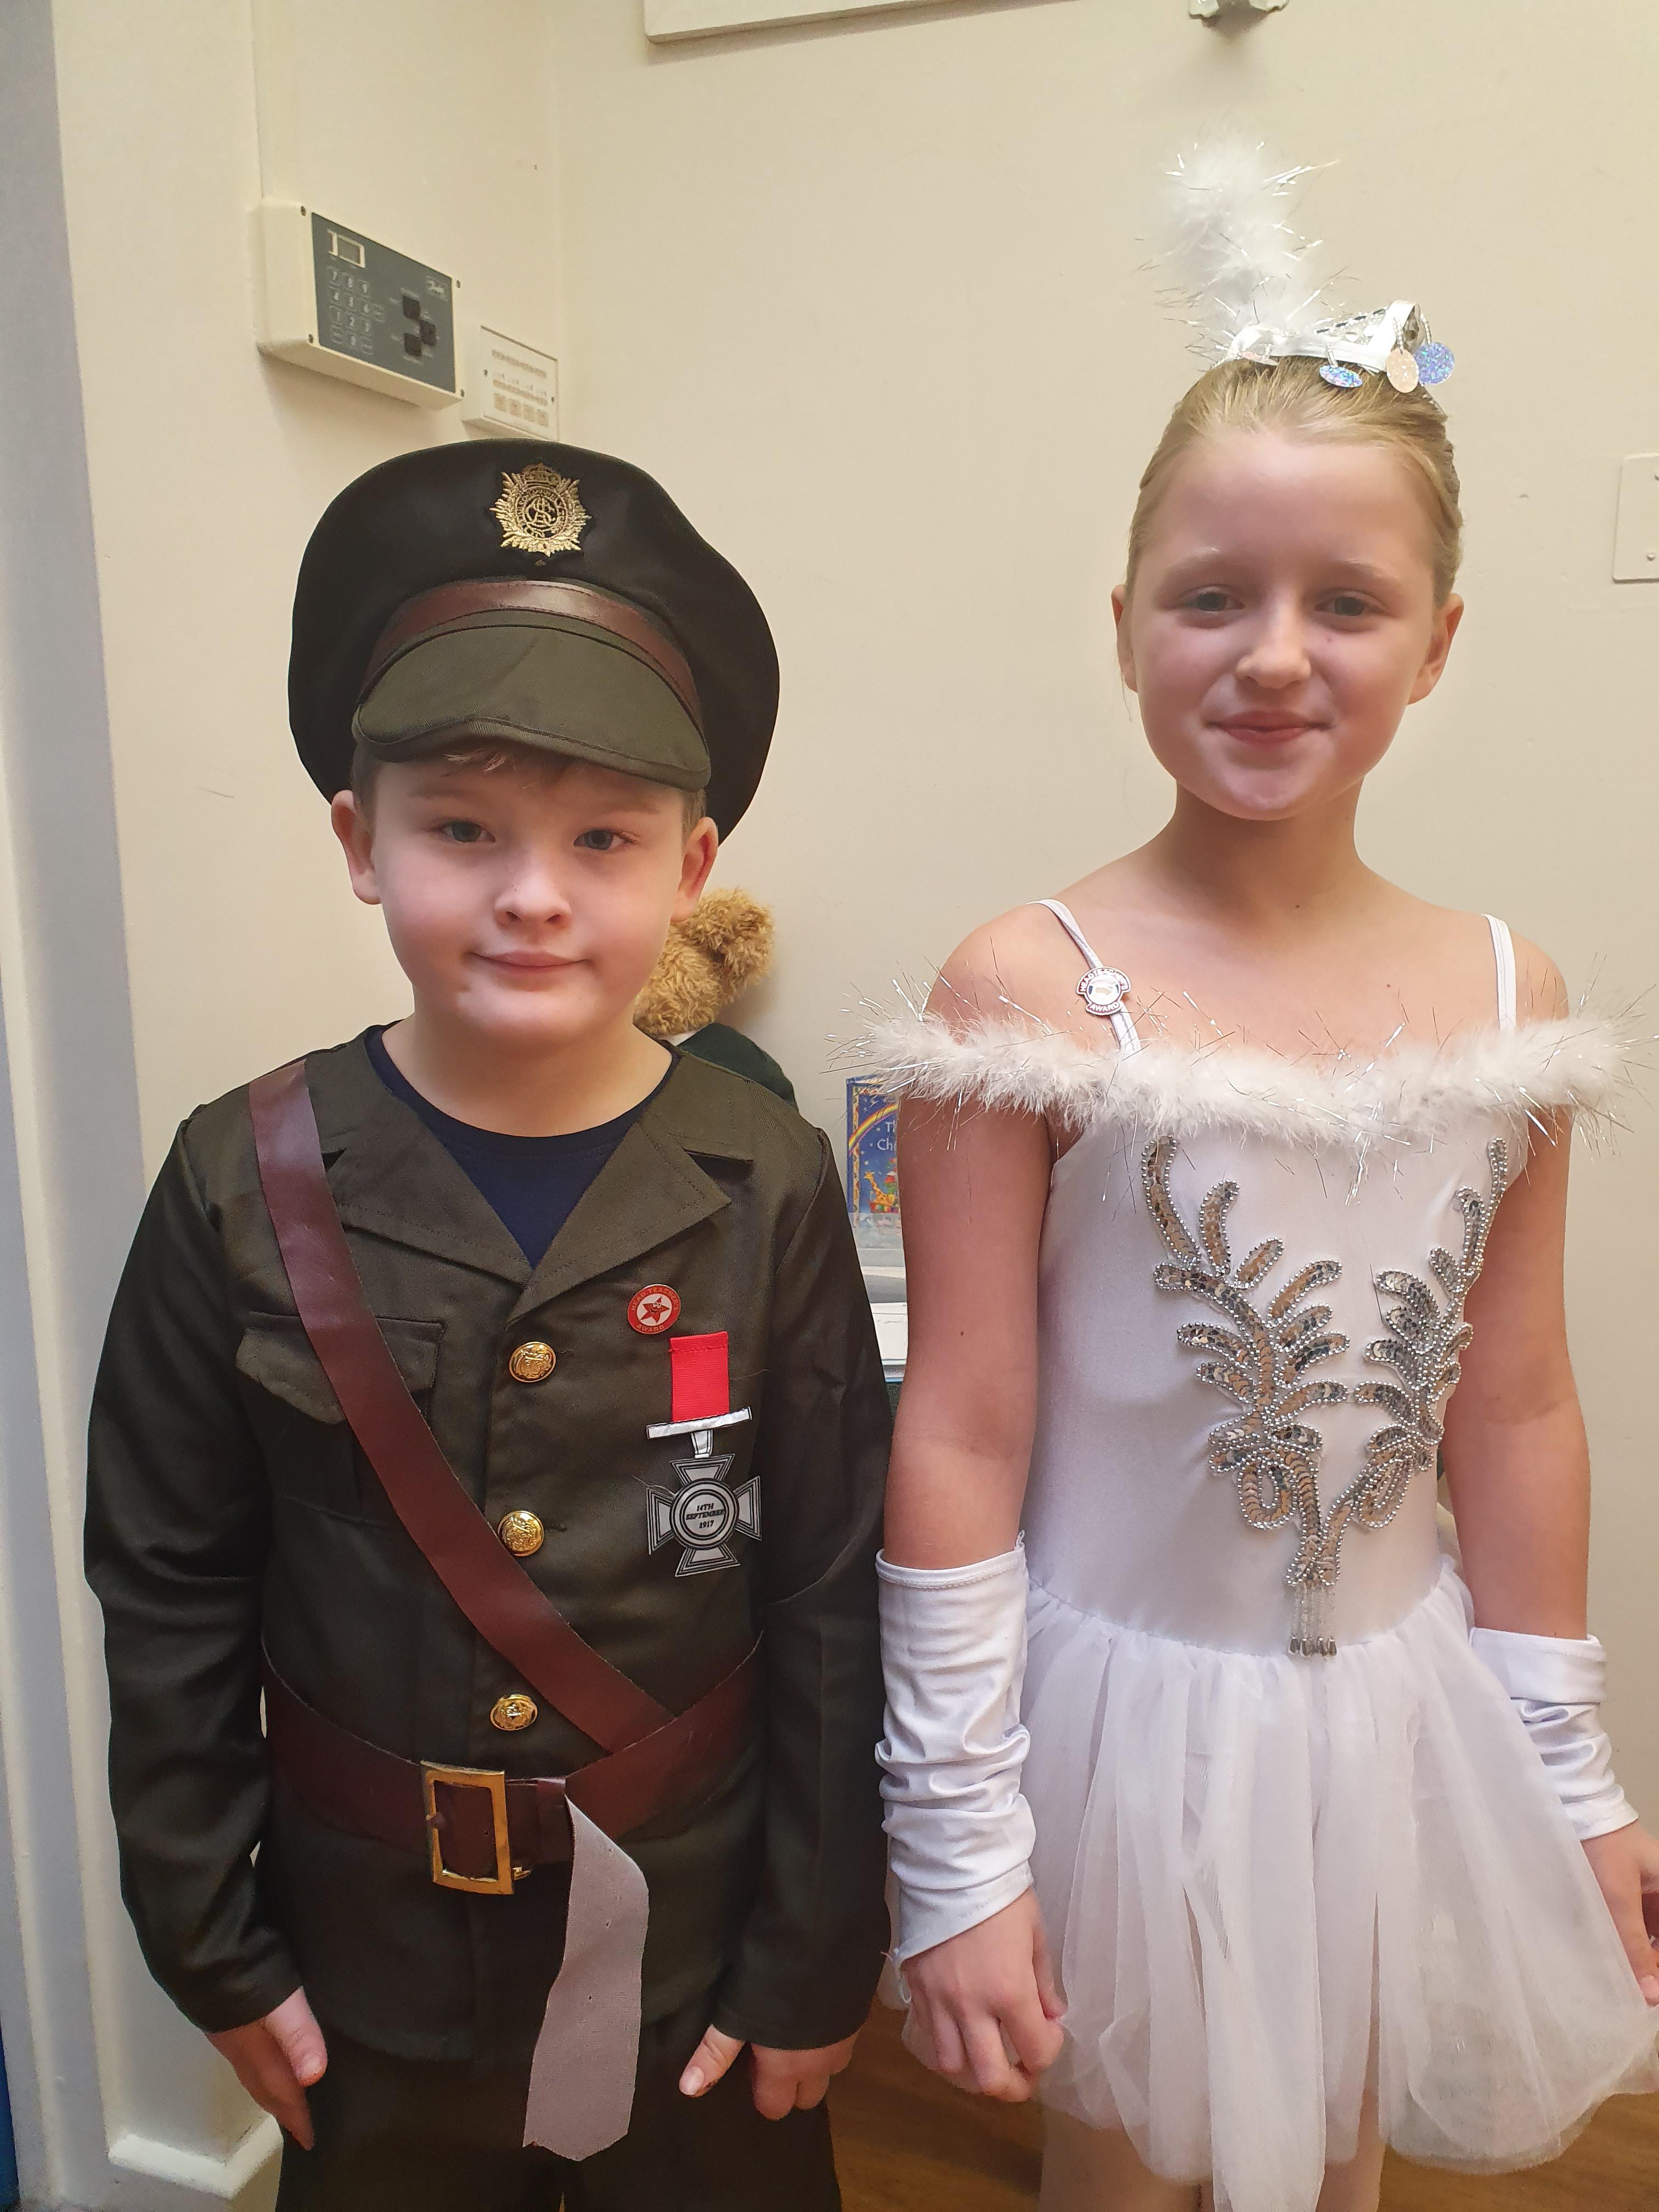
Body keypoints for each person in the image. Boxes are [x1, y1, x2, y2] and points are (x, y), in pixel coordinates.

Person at [868, 165, 1659, 2212]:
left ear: (1440, 642)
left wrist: (1566, 1774)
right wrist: (959, 1845)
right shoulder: (1027, 989)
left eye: (1349, 604)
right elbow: (961, 1425)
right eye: (1212, 596)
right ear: (1125, 621)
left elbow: (1515, 1406)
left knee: (1335, 2151)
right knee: (1125, 2163)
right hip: (1118, 1732)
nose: (1276, 658)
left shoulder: (1509, 995)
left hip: (1393, 1724)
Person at [84, 439, 891, 2211]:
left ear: (692, 864)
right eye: (464, 828)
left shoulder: (766, 1180)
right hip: (367, 1972)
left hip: (696, 1959)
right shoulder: (236, 1181)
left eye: (603, 838)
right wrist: (208, 1935)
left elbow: (831, 1593)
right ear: (359, 842)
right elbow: (168, 1587)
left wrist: (815, 1951)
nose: (534, 892)